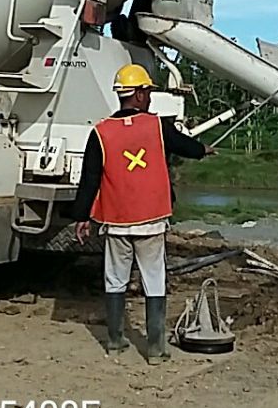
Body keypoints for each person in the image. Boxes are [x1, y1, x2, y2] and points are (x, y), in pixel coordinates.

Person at [71, 63, 213, 364]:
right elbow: (184, 145)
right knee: (154, 279)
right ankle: (156, 349)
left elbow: (90, 177)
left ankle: (115, 342)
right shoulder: (157, 126)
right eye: (147, 91)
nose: (148, 97)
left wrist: (81, 216)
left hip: (116, 221)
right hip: (151, 220)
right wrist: (203, 150)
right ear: (137, 94)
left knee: (115, 279)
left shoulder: (101, 132)